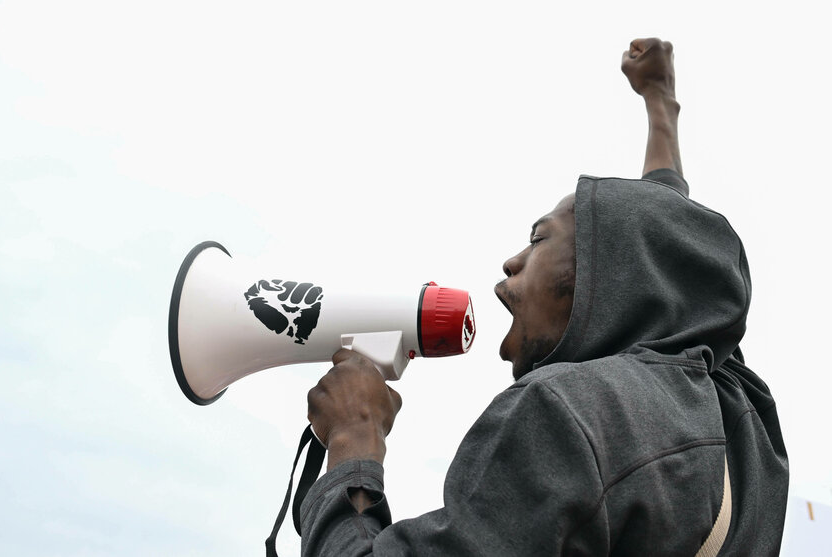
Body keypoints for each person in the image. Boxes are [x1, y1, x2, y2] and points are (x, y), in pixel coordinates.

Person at [301, 38, 789, 555]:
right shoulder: (740, 412)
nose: (510, 263)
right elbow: (668, 246)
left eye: (538, 238)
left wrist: (355, 440)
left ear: (606, 275)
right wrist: (660, 105)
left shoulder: (564, 415)